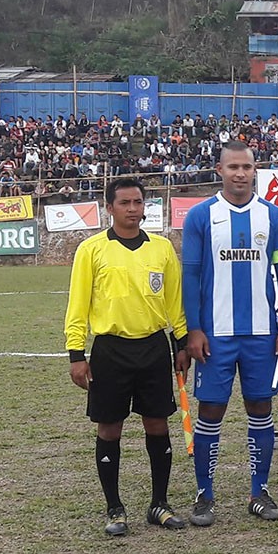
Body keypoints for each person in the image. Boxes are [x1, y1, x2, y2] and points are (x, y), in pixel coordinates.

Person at [181, 139, 278, 526]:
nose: (240, 174)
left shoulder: (273, 217)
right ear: (219, 171)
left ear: (254, 170)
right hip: (216, 335)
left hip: (262, 335)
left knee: (260, 408)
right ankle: (204, 493)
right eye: (232, 167)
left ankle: (258, 491)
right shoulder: (200, 216)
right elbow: (191, 274)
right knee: (211, 409)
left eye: (246, 167)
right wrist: (194, 329)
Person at [64, 177, 190, 536]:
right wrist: (76, 353)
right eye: (125, 203)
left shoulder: (162, 248)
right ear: (109, 207)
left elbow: (174, 301)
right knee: (110, 427)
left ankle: (159, 504)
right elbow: (78, 306)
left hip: (153, 347)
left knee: (157, 423)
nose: (133, 209)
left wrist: (180, 344)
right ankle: (114, 508)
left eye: (138, 202)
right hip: (110, 350)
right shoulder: (91, 249)